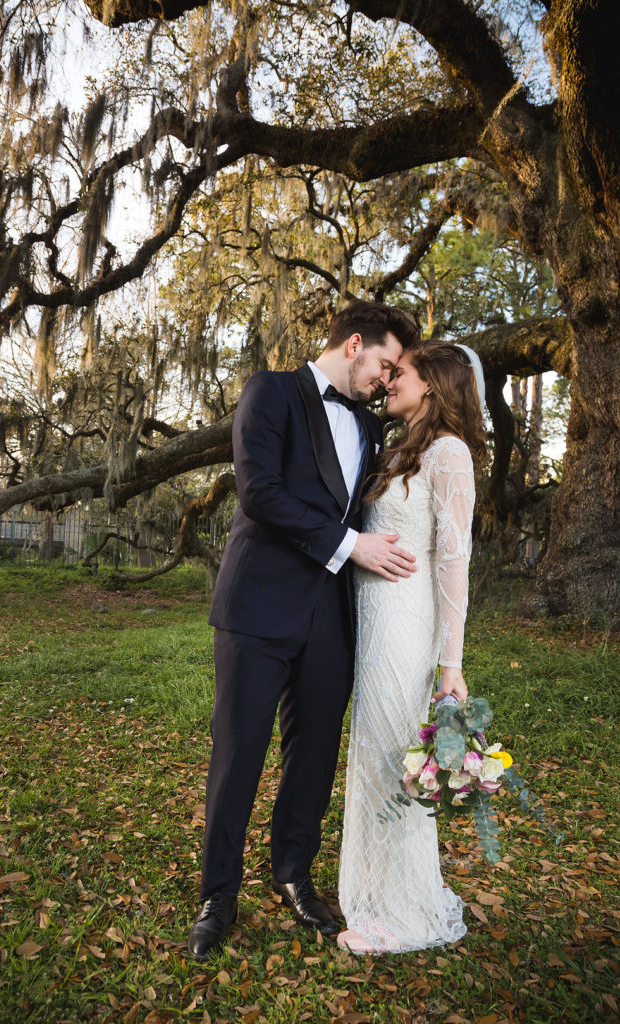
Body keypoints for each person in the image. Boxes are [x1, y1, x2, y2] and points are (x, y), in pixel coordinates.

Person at [187, 300, 421, 960]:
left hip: (331, 617)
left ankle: (292, 872)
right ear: (353, 346)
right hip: (257, 606)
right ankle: (218, 895)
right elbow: (259, 493)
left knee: (313, 757)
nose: (384, 379)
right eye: (383, 364)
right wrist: (349, 546)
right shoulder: (270, 391)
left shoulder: (372, 428)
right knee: (237, 756)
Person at [337, 342, 488, 956]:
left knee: (392, 760)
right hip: (369, 620)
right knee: (371, 754)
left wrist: (451, 661)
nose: (389, 380)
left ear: (435, 384)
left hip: (406, 623)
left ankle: (402, 910)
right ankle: (372, 889)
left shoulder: (450, 453)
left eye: (402, 373)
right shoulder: (400, 447)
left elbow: (454, 559)